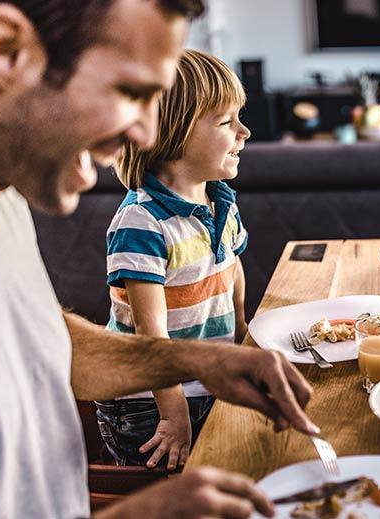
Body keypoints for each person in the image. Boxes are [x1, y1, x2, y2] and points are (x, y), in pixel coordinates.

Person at [0, 1, 318, 517]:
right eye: (131, 91)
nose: (148, 136)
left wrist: (200, 359)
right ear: (6, 51)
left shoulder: (4, 202)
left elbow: (44, 341)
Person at [97, 49, 251, 471]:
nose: (245, 131)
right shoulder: (142, 221)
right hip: (150, 404)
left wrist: (241, 335)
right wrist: (173, 413)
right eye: (226, 122)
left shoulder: (219, 201)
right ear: (173, 133)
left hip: (205, 382)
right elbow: (152, 334)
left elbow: (230, 269)